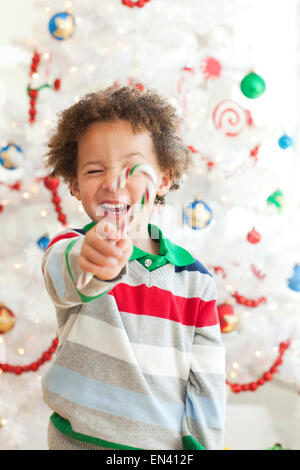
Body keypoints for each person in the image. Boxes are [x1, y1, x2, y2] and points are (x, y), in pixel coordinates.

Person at [42, 86, 226, 450]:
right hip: (77, 442)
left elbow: (207, 384)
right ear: (75, 186)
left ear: (164, 178)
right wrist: (95, 258)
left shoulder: (196, 282)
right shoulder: (68, 249)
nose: (113, 182)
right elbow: (68, 276)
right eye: (95, 170)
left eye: (132, 167)